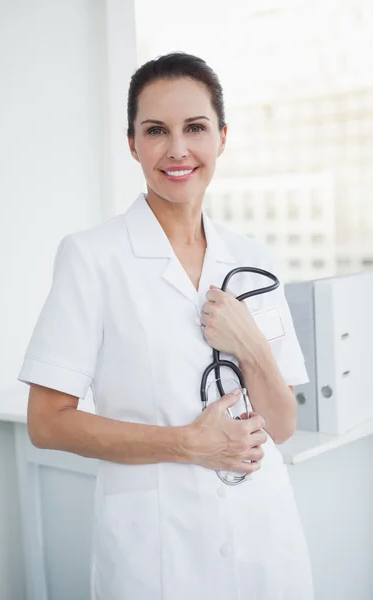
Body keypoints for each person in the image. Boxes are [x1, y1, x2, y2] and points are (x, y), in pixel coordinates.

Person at [18, 52, 315, 600]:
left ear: (222, 137)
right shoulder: (92, 257)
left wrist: (250, 343)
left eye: (195, 128)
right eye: (156, 130)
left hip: (263, 534)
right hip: (155, 549)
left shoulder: (255, 258)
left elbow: (283, 423)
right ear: (132, 143)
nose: (177, 148)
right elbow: (46, 422)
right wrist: (189, 444)